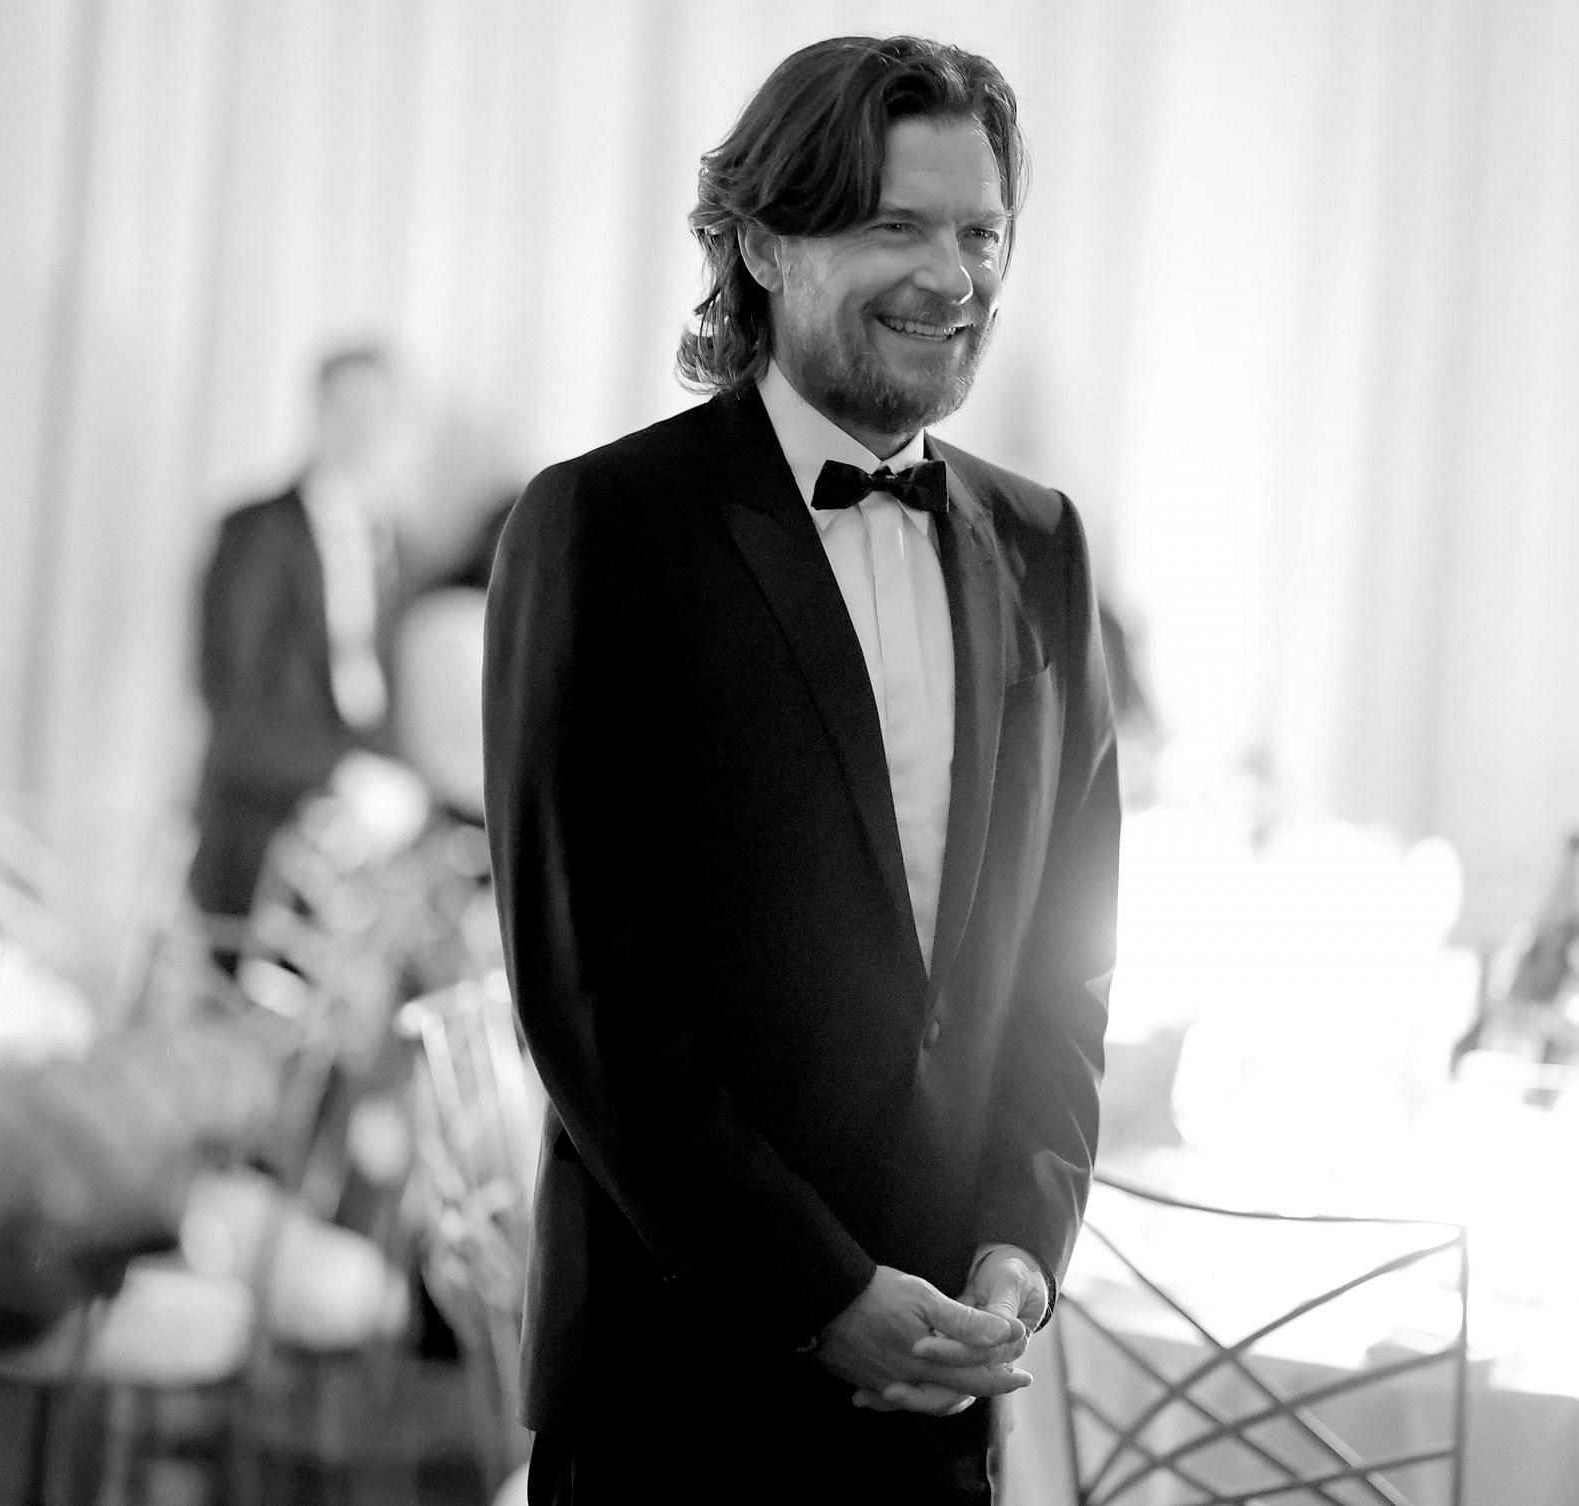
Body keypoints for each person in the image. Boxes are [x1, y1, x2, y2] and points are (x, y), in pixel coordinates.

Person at [484, 35, 1120, 1503]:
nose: (953, 275)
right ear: (762, 241)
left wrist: (1024, 1245)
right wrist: (824, 1296)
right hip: (680, 1389)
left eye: (980, 231)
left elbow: (1067, 961)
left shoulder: (1046, 548)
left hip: (948, 1395)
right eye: (897, 224)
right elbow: (592, 1000)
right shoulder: (603, 530)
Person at [188, 344, 422, 933]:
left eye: (377, 412)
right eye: (348, 409)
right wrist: (341, 772)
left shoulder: (396, 543)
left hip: (355, 851)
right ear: (317, 412)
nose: (362, 429)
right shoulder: (256, 532)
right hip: (261, 828)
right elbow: (232, 706)